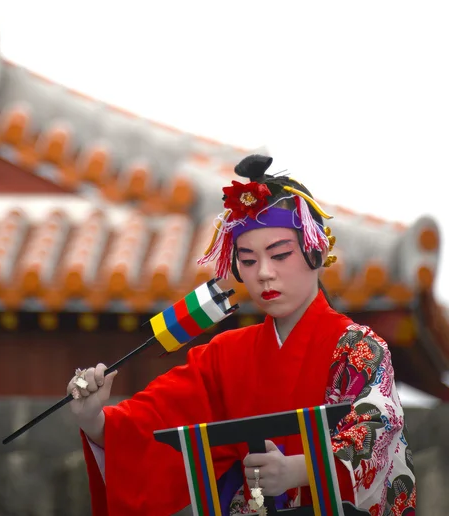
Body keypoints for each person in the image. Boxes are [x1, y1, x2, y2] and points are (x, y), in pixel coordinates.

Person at [67, 155, 416, 515]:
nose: (264, 273)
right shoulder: (223, 356)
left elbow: (375, 430)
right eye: (248, 261)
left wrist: (299, 469)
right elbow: (156, 421)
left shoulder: (358, 348)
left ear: (317, 250)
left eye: (279, 254)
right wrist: (96, 419)